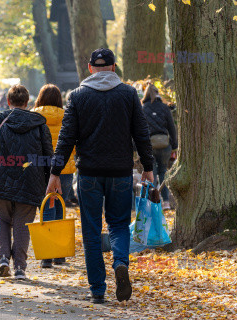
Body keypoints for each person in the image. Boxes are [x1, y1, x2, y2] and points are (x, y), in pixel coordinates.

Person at [46, 48, 155, 304]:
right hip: (120, 173)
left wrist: (54, 172)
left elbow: (66, 138)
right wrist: (148, 169)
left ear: (90, 67)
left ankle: (97, 290)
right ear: (114, 68)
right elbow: (141, 133)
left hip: (89, 174)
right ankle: (120, 262)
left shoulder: (78, 95)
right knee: (118, 225)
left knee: (92, 231)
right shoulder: (128, 94)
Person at [0, 84, 53, 280]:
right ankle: (20, 268)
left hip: (1, 177)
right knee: (23, 223)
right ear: (27, 103)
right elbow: (48, 155)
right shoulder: (39, 124)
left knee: (2, 219)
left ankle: (3, 258)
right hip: (31, 179)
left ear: (8, 101)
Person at [31, 84, 76, 269]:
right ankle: (58, 254)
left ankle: (46, 255)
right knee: (60, 207)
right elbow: (73, 143)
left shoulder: (33, 116)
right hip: (64, 169)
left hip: (40, 168)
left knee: (45, 208)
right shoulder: (68, 116)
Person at [141, 84, 178, 210]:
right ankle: (166, 202)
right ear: (158, 94)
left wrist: (136, 148)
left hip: (149, 146)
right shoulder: (164, 108)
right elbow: (171, 128)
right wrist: (174, 146)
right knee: (163, 173)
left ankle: (152, 202)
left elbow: (138, 130)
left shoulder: (143, 108)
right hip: (164, 145)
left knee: (151, 173)